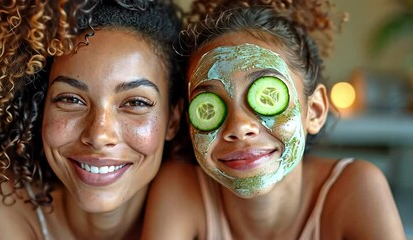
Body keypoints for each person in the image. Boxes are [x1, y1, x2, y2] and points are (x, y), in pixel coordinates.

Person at [142, 0, 406, 239]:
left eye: (267, 98)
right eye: (208, 108)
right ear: (190, 124)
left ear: (313, 111)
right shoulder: (179, 188)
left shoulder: (356, 188)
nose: (239, 127)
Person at [0, 0, 183, 239]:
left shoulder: (198, 204)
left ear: (173, 119)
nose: (99, 136)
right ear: (40, 105)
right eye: (71, 100)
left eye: (135, 103)